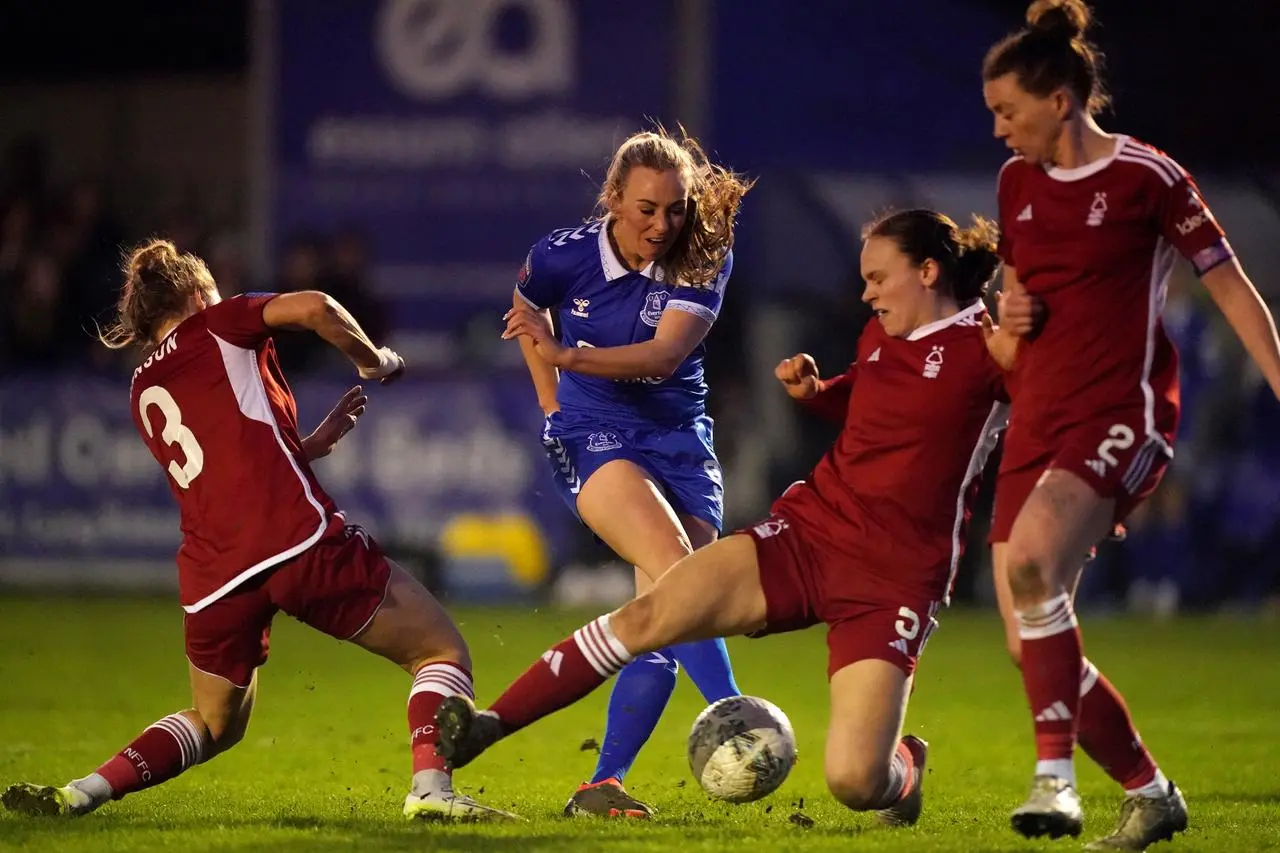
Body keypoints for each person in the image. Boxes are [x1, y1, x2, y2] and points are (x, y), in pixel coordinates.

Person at [436, 208, 1018, 826]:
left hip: (895, 580)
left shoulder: (992, 350)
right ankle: (489, 726)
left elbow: (1061, 414)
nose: (865, 292)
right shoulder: (882, 332)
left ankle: (902, 769)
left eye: (878, 277)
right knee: (655, 609)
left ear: (927, 271)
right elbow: (884, 401)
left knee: (856, 780)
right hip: (810, 535)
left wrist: (1106, 494)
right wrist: (823, 395)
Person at [0, 240, 513, 822]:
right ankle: (432, 792)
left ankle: (82, 791)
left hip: (214, 574)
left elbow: (224, 464)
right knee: (439, 650)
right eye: (214, 291)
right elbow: (318, 307)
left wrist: (306, 446)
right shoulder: (217, 323)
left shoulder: (142, 386)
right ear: (198, 295)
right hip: (292, 542)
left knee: (216, 723)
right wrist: (373, 361)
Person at [980, 1, 1280, 848]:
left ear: (1062, 99)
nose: (999, 131)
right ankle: (1151, 791)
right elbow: (1008, 328)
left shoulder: (1149, 178)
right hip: (1036, 419)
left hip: (1120, 413)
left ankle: (1055, 784)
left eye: (1008, 111)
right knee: (1026, 634)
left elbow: (1231, 287)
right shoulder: (1015, 185)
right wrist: (1009, 321)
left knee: (1035, 562)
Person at [497, 126, 753, 818]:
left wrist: (565, 358)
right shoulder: (562, 254)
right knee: (680, 572)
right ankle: (738, 720)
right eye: (646, 208)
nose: (662, 224)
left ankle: (599, 783)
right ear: (612, 198)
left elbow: (664, 356)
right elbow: (524, 309)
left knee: (661, 618)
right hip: (595, 432)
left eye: (674, 208)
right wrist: (553, 402)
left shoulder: (704, 252)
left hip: (680, 441)